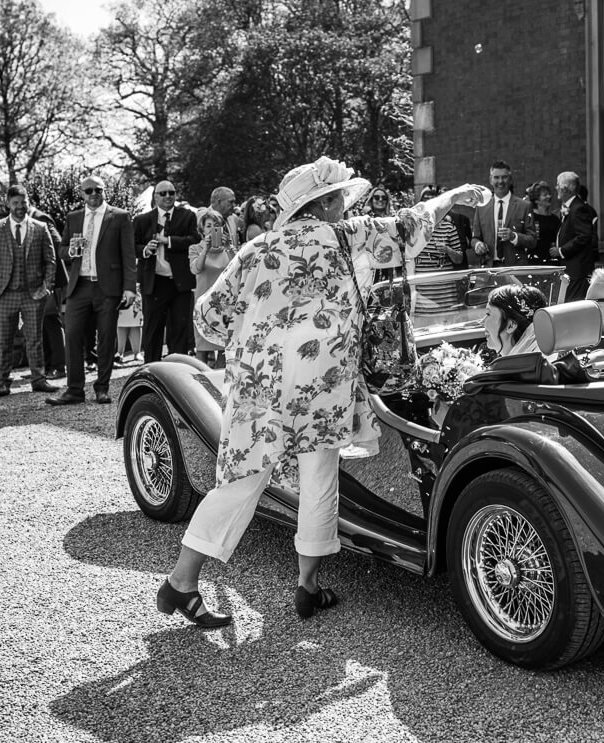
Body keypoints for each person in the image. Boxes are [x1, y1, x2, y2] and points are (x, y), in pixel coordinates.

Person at [157, 155, 484, 626]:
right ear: (327, 202)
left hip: (260, 386)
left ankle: (182, 582)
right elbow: (412, 225)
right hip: (321, 388)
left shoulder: (256, 251)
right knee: (319, 481)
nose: (343, 208)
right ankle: (306, 588)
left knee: (241, 483)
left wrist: (260, 329)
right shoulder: (350, 237)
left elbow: (207, 321)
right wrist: (454, 195)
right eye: (339, 200)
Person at [48, 175, 136, 405]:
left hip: (108, 288)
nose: (94, 193)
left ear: (104, 191)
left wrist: (129, 288)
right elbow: (62, 250)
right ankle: (75, 390)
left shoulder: (120, 216)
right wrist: (71, 252)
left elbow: (128, 255)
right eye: (89, 190)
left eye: (98, 189)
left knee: (106, 338)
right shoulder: (74, 217)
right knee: (74, 336)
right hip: (80, 286)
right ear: (81, 194)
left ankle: (102, 388)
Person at [0, 185, 59, 396]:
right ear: (8, 204)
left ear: (28, 201)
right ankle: (2, 382)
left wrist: (46, 288)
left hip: (33, 293)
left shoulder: (40, 227)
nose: (20, 207)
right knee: (3, 340)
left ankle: (39, 379)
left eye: (23, 202)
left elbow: (50, 260)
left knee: (35, 339)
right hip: (4, 294)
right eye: (15, 203)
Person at [134, 180, 201, 363]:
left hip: (179, 282)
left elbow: (194, 239)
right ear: (155, 197)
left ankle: (178, 374)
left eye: (171, 193)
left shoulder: (187, 216)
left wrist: (168, 241)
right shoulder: (142, 220)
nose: (168, 196)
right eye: (163, 193)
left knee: (179, 330)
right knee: (153, 330)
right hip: (154, 282)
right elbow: (133, 246)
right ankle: (152, 372)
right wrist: (146, 250)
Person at [188, 207, 235, 367]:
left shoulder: (229, 249)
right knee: (202, 349)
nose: (212, 228)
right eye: (209, 225)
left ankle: (219, 385)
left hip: (224, 305)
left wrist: (229, 247)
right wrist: (206, 249)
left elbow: (238, 269)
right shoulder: (195, 248)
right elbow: (196, 269)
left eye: (216, 225)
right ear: (202, 229)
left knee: (223, 348)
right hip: (203, 304)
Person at [470, 160, 537, 266]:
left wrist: (513, 236)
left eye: (504, 177)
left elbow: (533, 240)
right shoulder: (481, 207)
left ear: (510, 180)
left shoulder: (524, 206)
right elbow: (475, 238)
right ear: (490, 180)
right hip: (489, 268)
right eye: (496, 177)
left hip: (515, 268)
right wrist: (477, 245)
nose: (500, 181)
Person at [413, 185, 463, 314]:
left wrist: (448, 250)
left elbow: (459, 259)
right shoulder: (414, 229)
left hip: (446, 295)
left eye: (432, 199)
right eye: (425, 199)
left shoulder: (449, 227)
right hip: (421, 297)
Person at [30, 203, 66, 379]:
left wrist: (49, 283)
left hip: (47, 282)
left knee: (51, 322)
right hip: (34, 282)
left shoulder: (40, 218)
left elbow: (57, 244)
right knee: (42, 325)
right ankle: (46, 367)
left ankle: (59, 367)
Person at [550, 171, 598, 303]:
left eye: (558, 185)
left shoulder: (578, 208)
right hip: (573, 267)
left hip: (578, 269)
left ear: (565, 188)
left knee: (574, 303)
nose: (556, 188)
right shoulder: (572, 206)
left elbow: (584, 236)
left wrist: (561, 251)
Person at [483, 284, 547, 357]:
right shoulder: (536, 361)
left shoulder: (515, 366)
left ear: (511, 326)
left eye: (488, 314)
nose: (482, 321)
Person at [525, 180, 560, 265]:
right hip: (534, 261)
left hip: (553, 260)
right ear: (536, 200)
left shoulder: (555, 218)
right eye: (545, 195)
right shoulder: (530, 217)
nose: (549, 196)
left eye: (549, 194)